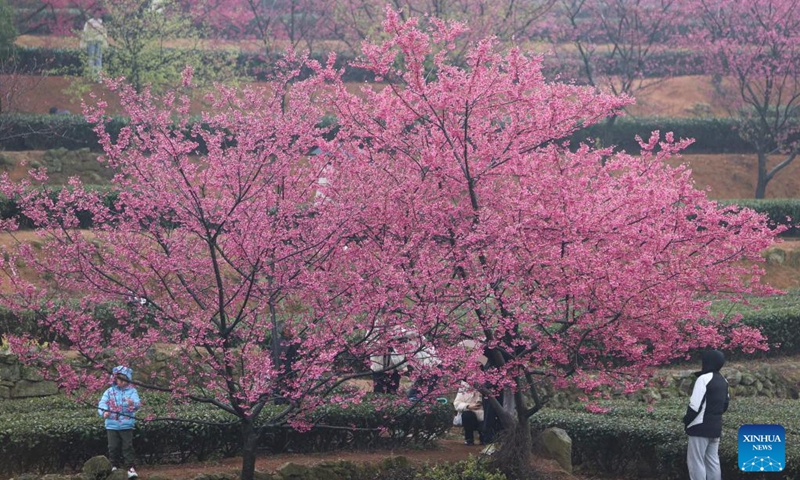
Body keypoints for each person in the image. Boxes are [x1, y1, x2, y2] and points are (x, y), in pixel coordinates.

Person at [684, 350, 729, 480]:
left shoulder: (703, 379)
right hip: (716, 427)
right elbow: (725, 404)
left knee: (696, 462)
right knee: (712, 461)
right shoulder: (723, 380)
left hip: (699, 427)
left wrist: (686, 421)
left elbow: (694, 406)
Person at [98, 366, 141, 478]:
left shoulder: (132, 391)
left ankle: (130, 468)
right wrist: (104, 413)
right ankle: (114, 466)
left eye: (124, 380)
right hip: (112, 425)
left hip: (126, 424)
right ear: (115, 379)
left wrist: (132, 403)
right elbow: (102, 403)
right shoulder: (109, 391)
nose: (121, 382)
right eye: (119, 380)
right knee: (113, 447)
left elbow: (137, 404)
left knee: (128, 447)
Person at [81, 14, 108, 79]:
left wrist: (105, 42)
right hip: (91, 41)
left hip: (99, 41)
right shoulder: (89, 22)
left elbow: (104, 32)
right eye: (96, 12)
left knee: (98, 58)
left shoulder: (101, 22)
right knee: (91, 58)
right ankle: (92, 76)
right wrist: (83, 43)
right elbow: (85, 32)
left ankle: (99, 77)